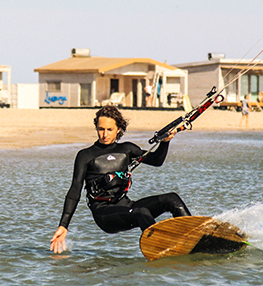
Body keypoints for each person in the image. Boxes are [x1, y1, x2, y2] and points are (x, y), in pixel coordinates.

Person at [50, 105, 191, 254]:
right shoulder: (85, 155)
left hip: (126, 205)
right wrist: (63, 225)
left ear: (118, 129)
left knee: (172, 199)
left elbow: (156, 160)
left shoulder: (127, 149)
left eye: (109, 129)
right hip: (103, 213)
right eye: (101, 129)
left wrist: (165, 142)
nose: (104, 134)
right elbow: (74, 191)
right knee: (141, 212)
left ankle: (194, 235)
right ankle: (162, 250)